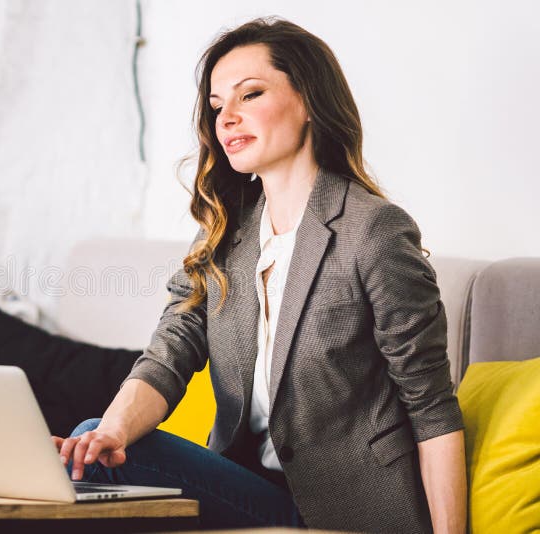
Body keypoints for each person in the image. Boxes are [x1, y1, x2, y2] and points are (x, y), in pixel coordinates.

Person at [52, 17, 467, 533]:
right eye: (218, 105)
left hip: (350, 512)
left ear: (309, 101)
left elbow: (431, 407)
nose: (228, 118)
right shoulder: (226, 234)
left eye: (250, 95)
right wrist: (110, 432)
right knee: (91, 447)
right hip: (251, 491)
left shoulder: (373, 231)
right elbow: (169, 354)